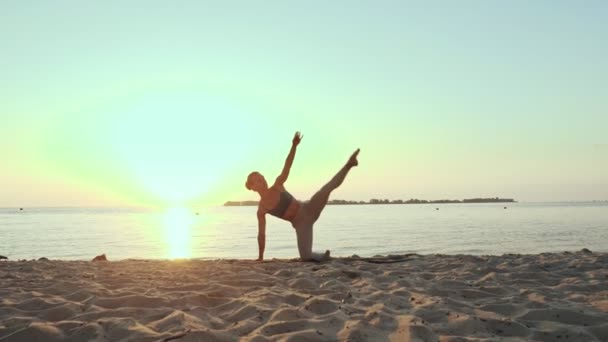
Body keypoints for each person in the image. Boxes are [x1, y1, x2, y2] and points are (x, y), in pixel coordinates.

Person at [245, 131, 359, 261]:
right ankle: (323, 256)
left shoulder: (277, 185)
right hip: (301, 224)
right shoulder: (262, 209)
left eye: (262, 177)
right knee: (306, 257)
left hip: (309, 207)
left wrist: (294, 146)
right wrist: (260, 257)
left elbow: (287, 165)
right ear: (253, 187)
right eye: (258, 180)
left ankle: (349, 165)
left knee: (327, 188)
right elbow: (261, 234)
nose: (263, 180)